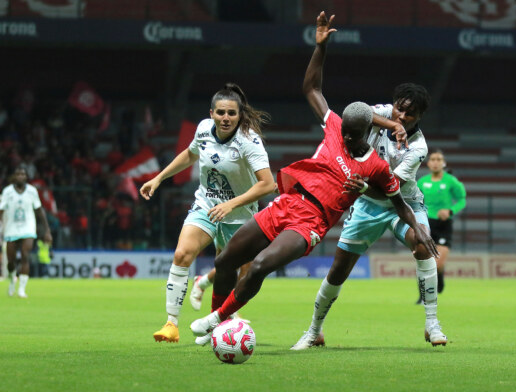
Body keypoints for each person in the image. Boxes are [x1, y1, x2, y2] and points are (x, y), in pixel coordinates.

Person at [190, 11, 438, 342]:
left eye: (352, 133)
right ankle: (221, 323)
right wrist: (320, 47)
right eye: (345, 130)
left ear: (367, 130)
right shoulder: (336, 126)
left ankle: (218, 319)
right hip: (286, 203)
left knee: (262, 264)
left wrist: (417, 227)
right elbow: (311, 87)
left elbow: (398, 201)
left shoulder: (376, 167)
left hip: (310, 223)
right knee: (225, 261)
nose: (345, 136)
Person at [290, 81, 450, 348]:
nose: (401, 115)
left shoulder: (419, 147)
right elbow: (356, 112)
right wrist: (392, 124)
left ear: (420, 117)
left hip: (403, 202)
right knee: (338, 270)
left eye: (409, 114)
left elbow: (392, 191)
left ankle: (432, 323)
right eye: (399, 109)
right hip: (367, 205)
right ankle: (314, 330)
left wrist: (364, 186)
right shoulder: (387, 113)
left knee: (423, 245)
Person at [140, 83, 276, 344]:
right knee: (182, 254)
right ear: (211, 113)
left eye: (231, 114)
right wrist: (158, 178)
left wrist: (232, 204)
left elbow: (267, 184)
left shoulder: (249, 141)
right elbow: (189, 156)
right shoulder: (203, 129)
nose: (226, 118)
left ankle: (219, 321)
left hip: (240, 216)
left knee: (231, 272)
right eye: (221, 113)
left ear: (239, 115)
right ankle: (171, 324)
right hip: (206, 206)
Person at [416, 149, 466, 301]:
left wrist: (450, 211)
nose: (436, 162)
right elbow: (415, 201)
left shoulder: (450, 181)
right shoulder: (422, 182)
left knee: (437, 264)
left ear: (443, 163)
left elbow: (462, 199)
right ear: (429, 163)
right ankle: (422, 295)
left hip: (444, 225)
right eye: (433, 159)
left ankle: (440, 276)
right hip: (426, 224)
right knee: (424, 260)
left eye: (439, 159)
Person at [0, 166, 52, 298]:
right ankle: (12, 279)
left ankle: (22, 289)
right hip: (11, 228)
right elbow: (1, 210)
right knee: (11, 261)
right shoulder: (7, 192)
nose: (20, 176)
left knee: (25, 254)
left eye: (22, 174)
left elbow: (39, 210)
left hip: (28, 227)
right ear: (14, 177)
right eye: (17, 174)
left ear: (26, 177)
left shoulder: (32, 191)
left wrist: (47, 230)